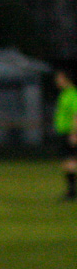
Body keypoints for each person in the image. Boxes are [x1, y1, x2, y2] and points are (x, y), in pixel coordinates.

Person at [53, 70, 77, 201]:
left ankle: (71, 192)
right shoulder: (64, 93)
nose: (57, 80)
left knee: (70, 160)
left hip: (69, 132)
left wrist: (74, 133)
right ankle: (71, 191)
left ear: (66, 79)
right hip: (63, 132)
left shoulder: (73, 94)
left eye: (59, 78)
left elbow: (76, 114)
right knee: (67, 161)